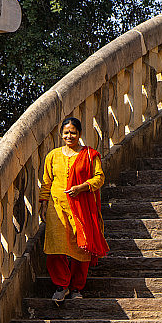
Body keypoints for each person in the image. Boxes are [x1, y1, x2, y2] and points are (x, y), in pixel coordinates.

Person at [38, 118, 109, 302]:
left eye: (73, 132)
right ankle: (61, 285)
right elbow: (46, 181)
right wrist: (43, 203)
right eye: (66, 132)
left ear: (80, 134)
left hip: (81, 207)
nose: (69, 136)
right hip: (57, 207)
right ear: (61, 134)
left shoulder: (89, 155)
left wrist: (81, 187)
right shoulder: (53, 156)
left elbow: (99, 178)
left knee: (82, 246)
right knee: (56, 247)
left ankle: (77, 287)